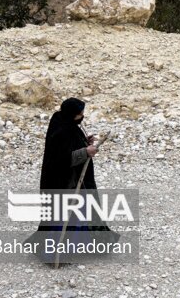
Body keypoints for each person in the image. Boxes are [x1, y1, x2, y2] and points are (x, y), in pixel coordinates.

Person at [25, 97, 117, 263]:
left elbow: (72, 144)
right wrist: (85, 151)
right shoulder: (61, 131)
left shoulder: (65, 122)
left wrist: (84, 142)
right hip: (65, 183)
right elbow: (62, 159)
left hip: (77, 181)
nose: (82, 116)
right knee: (66, 217)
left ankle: (87, 244)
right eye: (79, 114)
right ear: (71, 114)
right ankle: (54, 254)